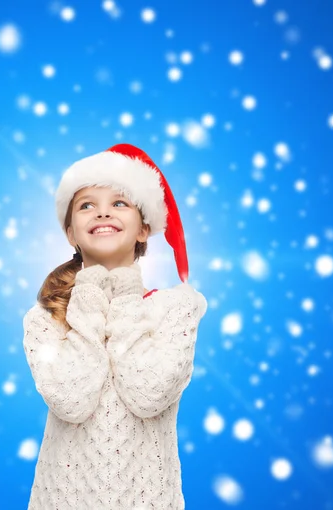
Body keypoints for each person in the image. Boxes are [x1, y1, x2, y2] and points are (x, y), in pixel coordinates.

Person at [22, 143, 208, 509]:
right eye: (86, 204)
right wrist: (90, 293)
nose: (102, 212)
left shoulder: (177, 309)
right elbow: (72, 400)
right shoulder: (45, 318)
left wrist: (124, 294)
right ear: (71, 234)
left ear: (144, 229)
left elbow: (148, 394)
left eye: (119, 202)